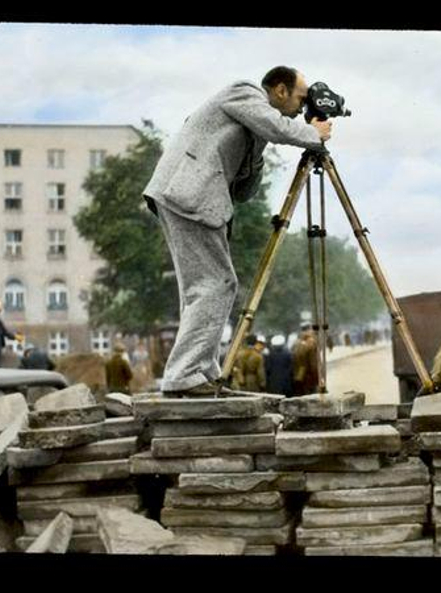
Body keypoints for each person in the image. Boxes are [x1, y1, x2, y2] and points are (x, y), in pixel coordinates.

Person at [141, 66, 331, 397]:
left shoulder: (253, 126)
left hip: (186, 196)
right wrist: (312, 134)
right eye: (301, 98)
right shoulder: (244, 91)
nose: (302, 108)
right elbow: (276, 126)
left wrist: (258, 154)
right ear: (280, 90)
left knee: (203, 288)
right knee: (218, 284)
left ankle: (201, 371)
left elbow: (244, 191)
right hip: (190, 194)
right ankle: (185, 374)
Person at [291, 328, 320, 396]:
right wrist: (317, 379)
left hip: (296, 376)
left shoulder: (295, 346)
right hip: (308, 377)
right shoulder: (309, 348)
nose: (313, 340)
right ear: (307, 339)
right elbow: (313, 366)